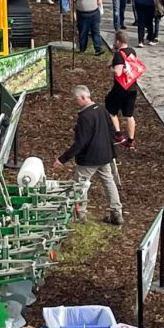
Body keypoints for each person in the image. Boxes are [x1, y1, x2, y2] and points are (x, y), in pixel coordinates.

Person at [59, 85, 123, 225]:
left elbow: (80, 142)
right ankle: (116, 213)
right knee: (109, 182)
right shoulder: (101, 109)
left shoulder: (85, 117)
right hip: (105, 156)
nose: (76, 102)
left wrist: (63, 159)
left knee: (81, 186)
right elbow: (112, 131)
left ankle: (81, 215)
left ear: (82, 97)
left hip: (89, 159)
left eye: (76, 99)